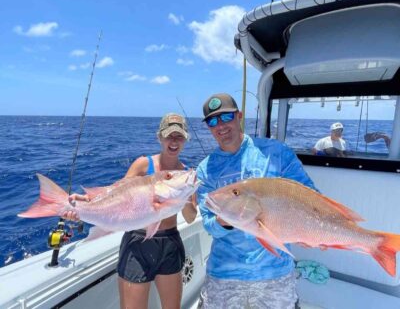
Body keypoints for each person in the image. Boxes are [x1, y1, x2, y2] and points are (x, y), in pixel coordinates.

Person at [63, 113, 197, 309]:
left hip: (169, 244)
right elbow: (117, 192)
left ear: (185, 139)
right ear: (159, 137)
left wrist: (184, 196)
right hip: (136, 243)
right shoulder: (143, 164)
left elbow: (191, 218)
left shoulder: (186, 174)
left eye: (179, 136)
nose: (174, 141)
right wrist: (87, 201)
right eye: (169, 136)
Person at [196, 93, 317, 308]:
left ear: (239, 116)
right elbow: (208, 224)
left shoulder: (275, 152)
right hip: (224, 273)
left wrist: (305, 229)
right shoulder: (206, 169)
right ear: (209, 127)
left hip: (275, 272)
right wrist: (224, 220)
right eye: (213, 121)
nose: (220, 125)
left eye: (226, 117)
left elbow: (309, 195)